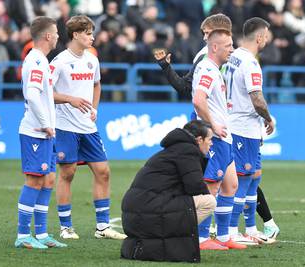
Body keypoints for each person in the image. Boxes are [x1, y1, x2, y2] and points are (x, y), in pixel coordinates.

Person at [154, 14, 280, 240]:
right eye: (204, 34)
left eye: (207, 32)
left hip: (228, 125)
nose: (204, 37)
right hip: (216, 126)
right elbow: (192, 93)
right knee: (218, 181)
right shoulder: (207, 60)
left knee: (236, 180)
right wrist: (212, 124)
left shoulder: (232, 55)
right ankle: (202, 234)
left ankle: (227, 234)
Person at [51, 15, 126, 240]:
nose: (92, 37)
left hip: (88, 127)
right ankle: (66, 227)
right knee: (68, 173)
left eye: (92, 33)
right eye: (88, 33)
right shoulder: (59, 62)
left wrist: (94, 108)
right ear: (75, 34)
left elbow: (96, 84)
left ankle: (102, 227)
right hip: (65, 127)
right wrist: (69, 99)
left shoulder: (92, 59)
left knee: (103, 171)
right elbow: (46, 93)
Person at [121, 120, 217, 262]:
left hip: (136, 213)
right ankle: (178, 240)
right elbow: (195, 187)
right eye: (210, 139)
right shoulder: (188, 151)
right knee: (209, 202)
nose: (211, 143)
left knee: (187, 205)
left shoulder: (174, 149)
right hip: (148, 210)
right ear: (199, 140)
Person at [192, 28, 246, 250]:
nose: (232, 49)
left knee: (231, 184)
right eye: (228, 46)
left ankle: (223, 237)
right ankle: (201, 238)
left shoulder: (215, 69)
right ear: (215, 47)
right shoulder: (207, 69)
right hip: (215, 138)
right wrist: (213, 125)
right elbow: (198, 99)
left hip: (226, 137)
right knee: (212, 186)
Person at [15, 16, 66, 249]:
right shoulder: (35, 61)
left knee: (48, 179)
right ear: (47, 35)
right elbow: (33, 95)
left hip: (45, 132)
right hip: (36, 131)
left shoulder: (42, 60)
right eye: (55, 32)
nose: (57, 36)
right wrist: (46, 122)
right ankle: (23, 236)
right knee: (35, 181)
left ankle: (42, 234)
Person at [226, 17, 278, 245]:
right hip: (242, 128)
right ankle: (230, 230)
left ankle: (250, 228)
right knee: (242, 179)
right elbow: (257, 99)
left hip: (244, 127)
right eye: (265, 35)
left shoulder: (234, 56)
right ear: (259, 37)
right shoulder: (250, 63)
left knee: (253, 178)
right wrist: (268, 119)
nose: (266, 39)